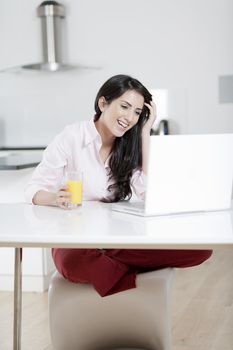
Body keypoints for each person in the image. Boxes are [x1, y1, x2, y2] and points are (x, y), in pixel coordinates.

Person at [25, 74, 212, 297]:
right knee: (72, 261)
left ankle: (107, 267)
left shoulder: (129, 144)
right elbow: (33, 189)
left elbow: (149, 193)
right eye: (124, 106)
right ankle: (126, 276)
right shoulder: (72, 137)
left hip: (118, 237)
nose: (130, 117)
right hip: (77, 238)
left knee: (200, 250)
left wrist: (144, 132)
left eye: (137, 112)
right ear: (103, 103)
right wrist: (54, 198)